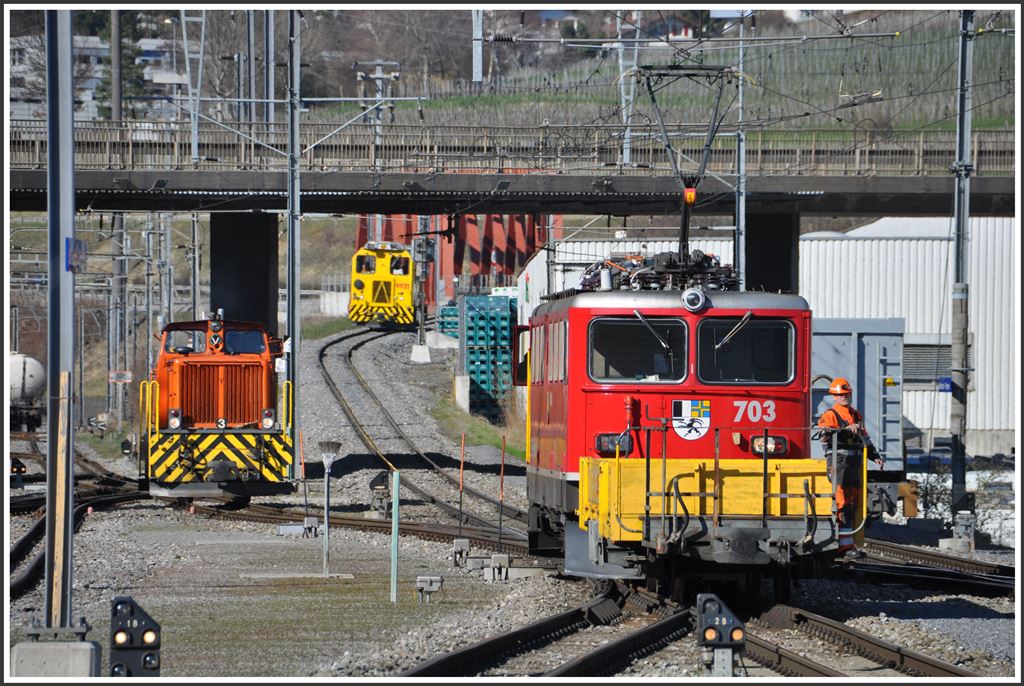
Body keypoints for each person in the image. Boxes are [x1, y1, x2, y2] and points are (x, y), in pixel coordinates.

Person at [817, 377, 884, 557]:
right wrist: (847, 429)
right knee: (842, 502)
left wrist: (875, 456)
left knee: (853, 503)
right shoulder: (830, 415)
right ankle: (842, 546)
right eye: (841, 395)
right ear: (834, 396)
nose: (844, 397)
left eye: (846, 394)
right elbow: (823, 434)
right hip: (840, 462)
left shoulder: (856, 414)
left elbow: (865, 438)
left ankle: (849, 544)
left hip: (855, 463)